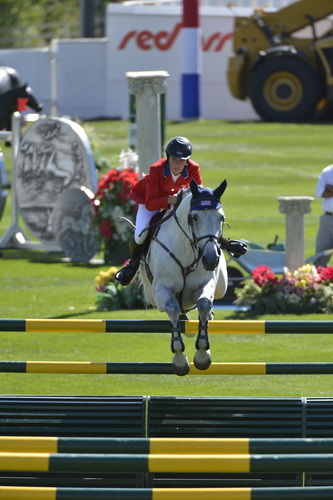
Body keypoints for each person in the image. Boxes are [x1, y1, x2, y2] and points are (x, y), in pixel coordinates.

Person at [115, 136, 246, 286]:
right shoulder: (156, 169)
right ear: (168, 157)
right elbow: (151, 203)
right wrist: (169, 200)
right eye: (174, 160)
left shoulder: (193, 168)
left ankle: (224, 243)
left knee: (197, 221)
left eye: (182, 161)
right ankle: (132, 266)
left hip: (178, 202)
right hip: (151, 201)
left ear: (187, 161)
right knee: (140, 234)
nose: (177, 164)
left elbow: (198, 194)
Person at [314, 163, 333, 267]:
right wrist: (326, 189)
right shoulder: (327, 171)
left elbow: (325, 191)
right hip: (327, 218)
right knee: (321, 254)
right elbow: (319, 192)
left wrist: (330, 188)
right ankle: (319, 281)